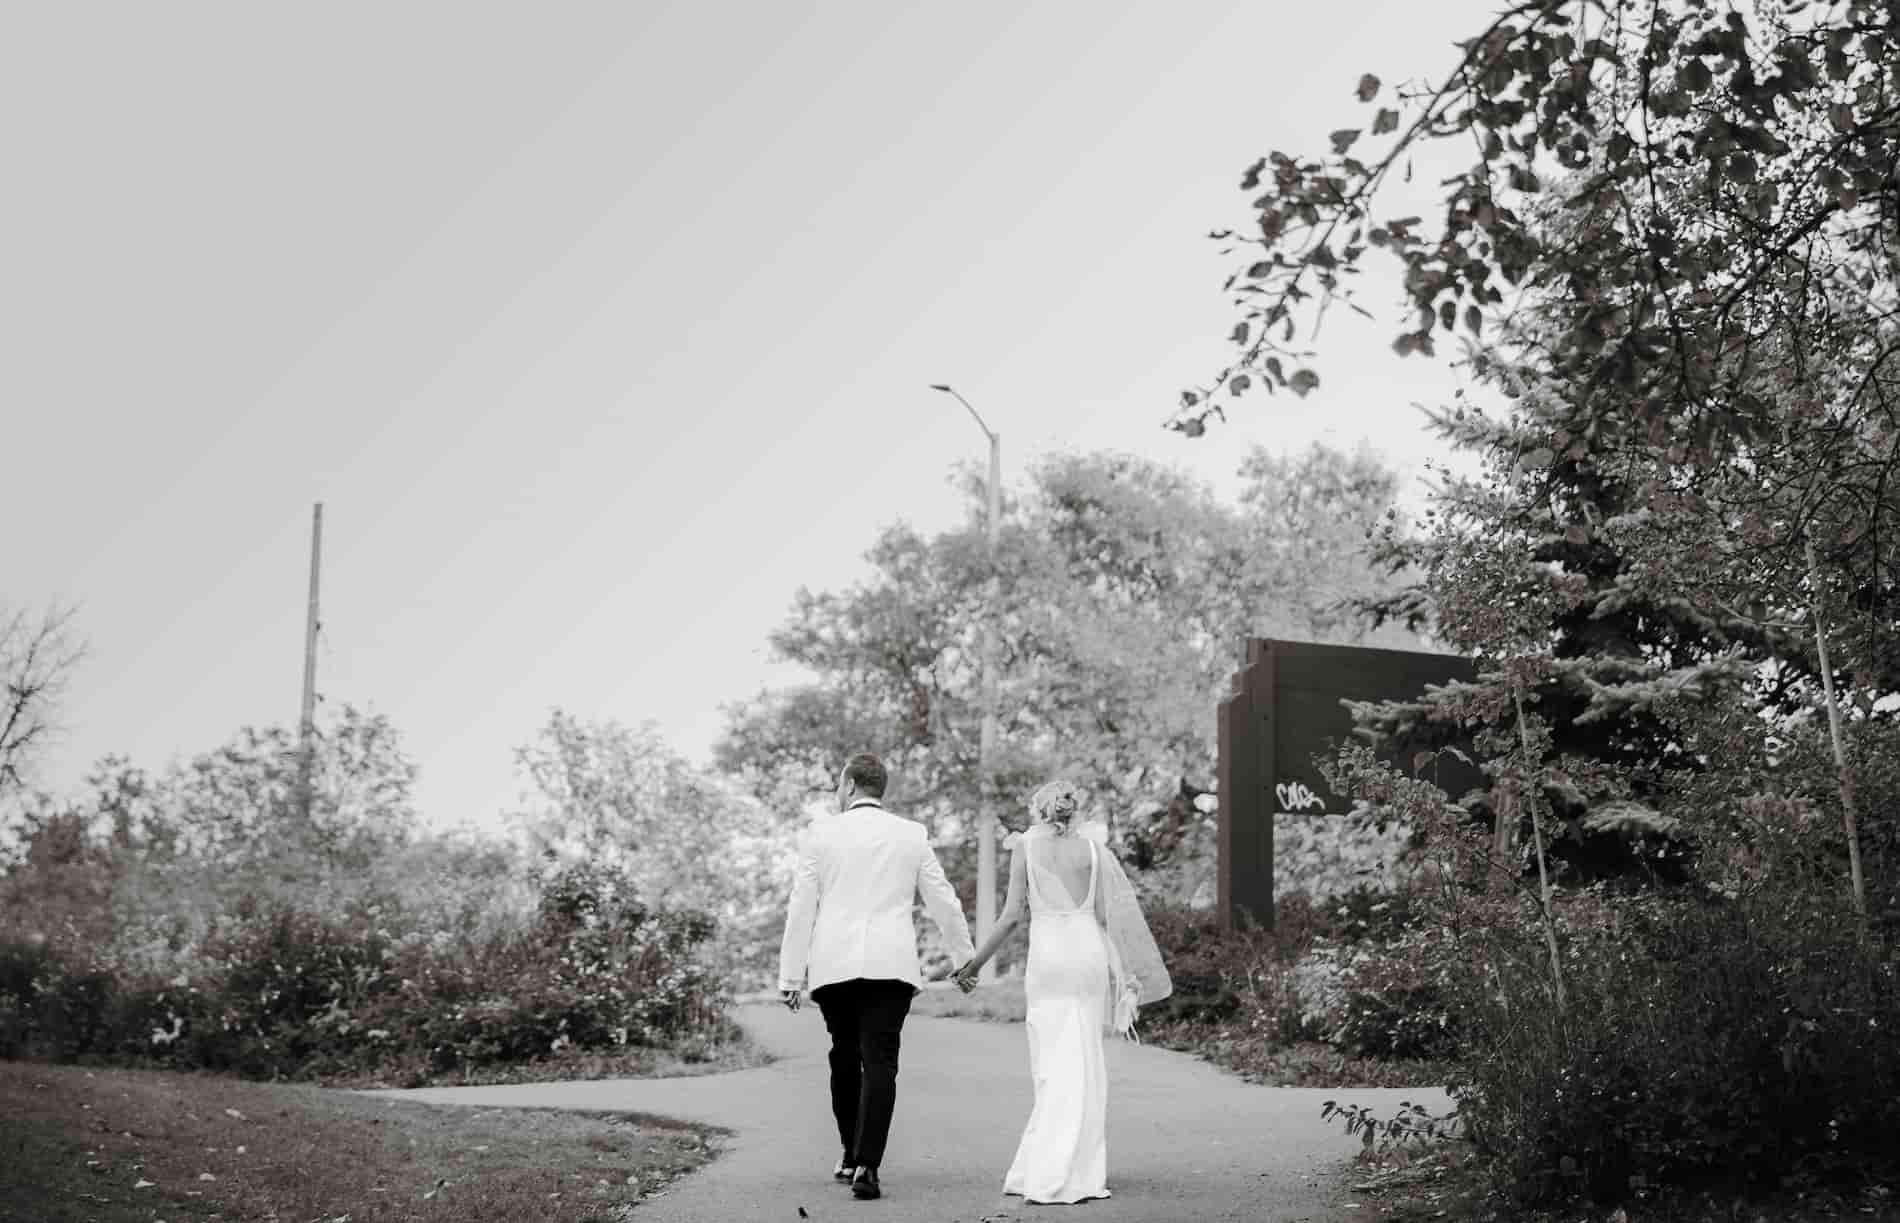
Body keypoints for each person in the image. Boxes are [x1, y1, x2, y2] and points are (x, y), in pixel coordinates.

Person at [954, 780, 1172, 1205]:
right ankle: (1076, 1167)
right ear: (1075, 811)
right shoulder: (1094, 851)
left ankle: (1048, 1164)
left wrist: (973, 965)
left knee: (1052, 1061)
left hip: (1050, 957)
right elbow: (1109, 921)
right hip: (1088, 952)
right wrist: (1125, 973)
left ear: (1040, 811)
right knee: (1085, 1057)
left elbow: (1011, 917)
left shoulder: (1025, 849)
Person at [777, 753, 975, 1202]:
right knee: (881, 1061)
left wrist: (791, 974)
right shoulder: (911, 835)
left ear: (848, 786)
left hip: (835, 967)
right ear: (879, 789)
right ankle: (868, 1164)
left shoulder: (821, 834)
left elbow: (801, 907)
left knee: (844, 1057)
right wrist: (965, 959)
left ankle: (849, 1154)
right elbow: (943, 900)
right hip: (893, 966)